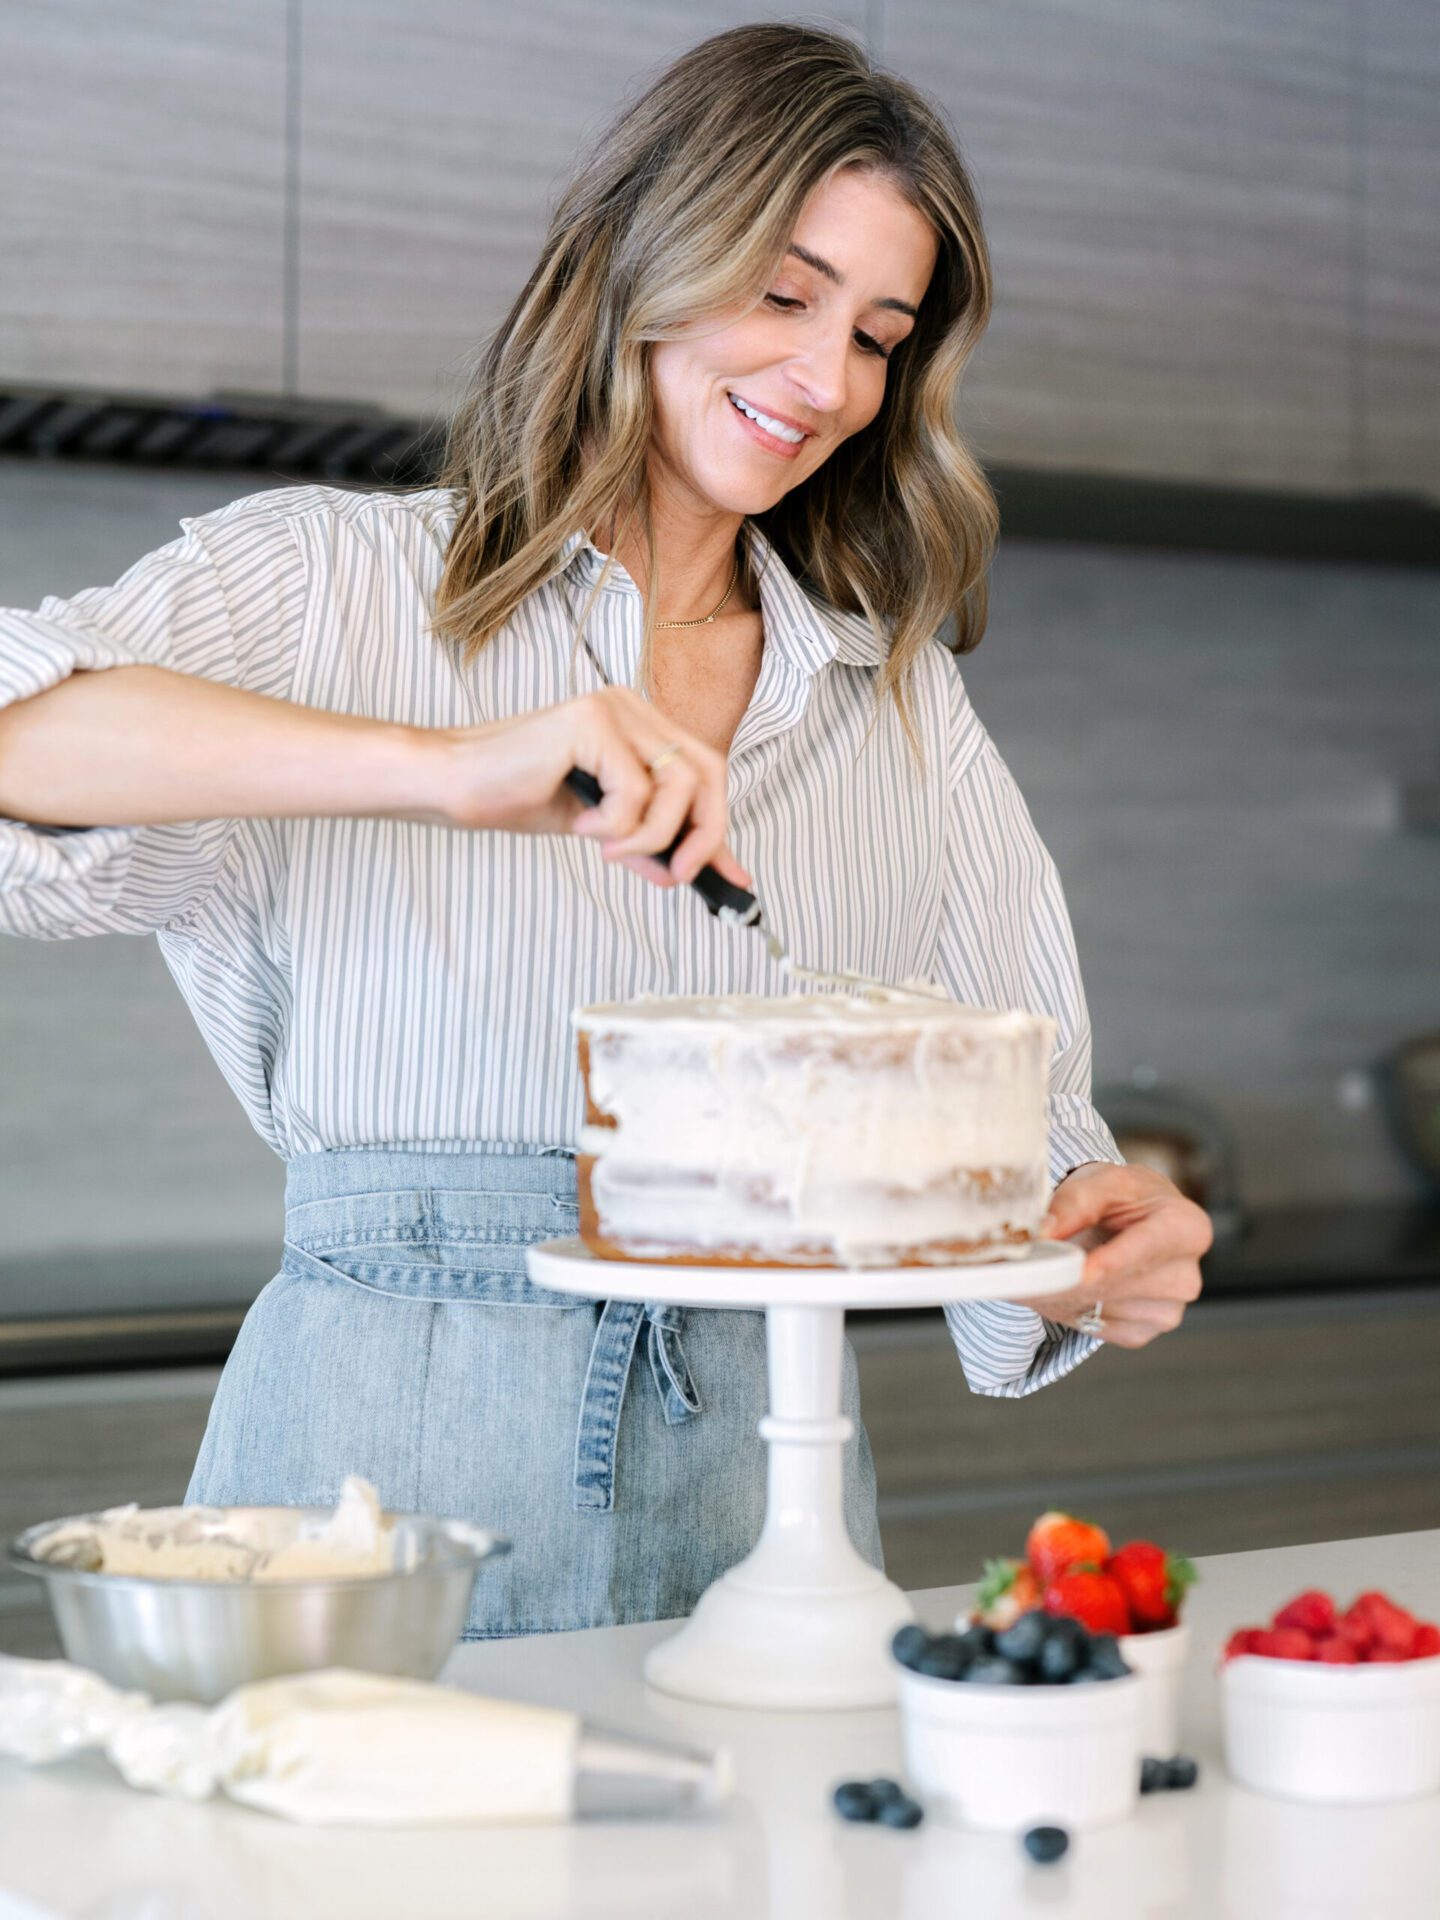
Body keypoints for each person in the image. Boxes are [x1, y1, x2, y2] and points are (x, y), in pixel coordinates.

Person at [0, 25, 1210, 1637]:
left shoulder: (897, 699)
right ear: (643, 256)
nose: (827, 381)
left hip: (767, 1504)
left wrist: (1091, 1235)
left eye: (877, 335)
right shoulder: (326, 582)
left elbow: (1028, 1120)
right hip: (371, 1489)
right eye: (784, 294)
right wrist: (447, 767)